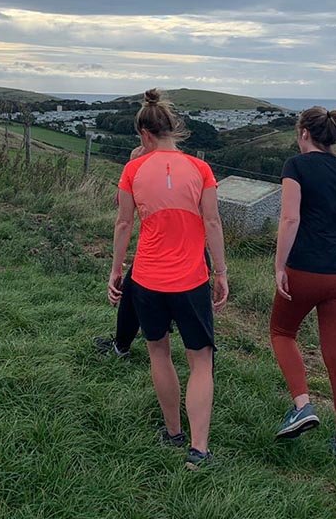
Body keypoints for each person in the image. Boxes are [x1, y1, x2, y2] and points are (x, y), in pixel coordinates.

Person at [109, 90, 228, 470]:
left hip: (146, 279)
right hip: (191, 279)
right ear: (172, 129)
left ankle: (174, 432)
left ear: (144, 134)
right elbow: (212, 222)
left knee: (158, 352)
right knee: (200, 361)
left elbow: (124, 223)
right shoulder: (201, 169)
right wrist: (221, 272)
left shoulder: (132, 170)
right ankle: (199, 449)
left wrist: (116, 269)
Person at [269, 106, 336, 466]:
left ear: (304, 133)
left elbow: (290, 218)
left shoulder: (296, 166)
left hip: (304, 269)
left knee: (282, 332)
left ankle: (302, 405)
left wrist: (280, 265)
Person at [94, 145, 146, 358]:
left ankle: (121, 346)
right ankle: (203, 362)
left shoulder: (141, 161)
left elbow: (122, 209)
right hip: (196, 252)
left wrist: (131, 164)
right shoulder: (186, 166)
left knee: (131, 294)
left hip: (157, 250)